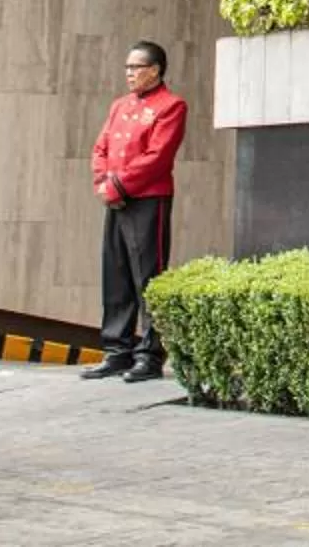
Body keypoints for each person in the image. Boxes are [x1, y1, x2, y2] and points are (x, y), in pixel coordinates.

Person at [85, 40, 185, 381]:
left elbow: (157, 157)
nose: (130, 74)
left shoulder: (171, 106)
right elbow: (101, 147)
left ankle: (149, 355)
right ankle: (117, 350)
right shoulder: (119, 106)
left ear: (155, 70)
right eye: (127, 67)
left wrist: (117, 186)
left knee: (147, 277)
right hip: (116, 198)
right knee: (115, 275)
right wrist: (103, 183)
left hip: (147, 200)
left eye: (136, 67)